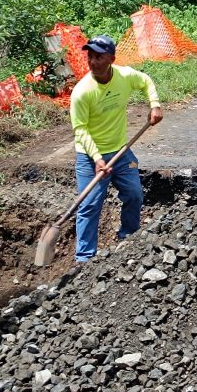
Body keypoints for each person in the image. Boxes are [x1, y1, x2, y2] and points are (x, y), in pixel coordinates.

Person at [70, 35, 163, 263]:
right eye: (90, 57)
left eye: (99, 57)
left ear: (111, 58)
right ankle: (84, 260)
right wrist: (97, 158)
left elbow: (146, 81)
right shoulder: (82, 92)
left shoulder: (124, 76)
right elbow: (80, 130)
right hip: (89, 156)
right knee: (89, 205)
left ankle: (128, 238)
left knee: (134, 195)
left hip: (121, 152)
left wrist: (155, 104)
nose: (93, 62)